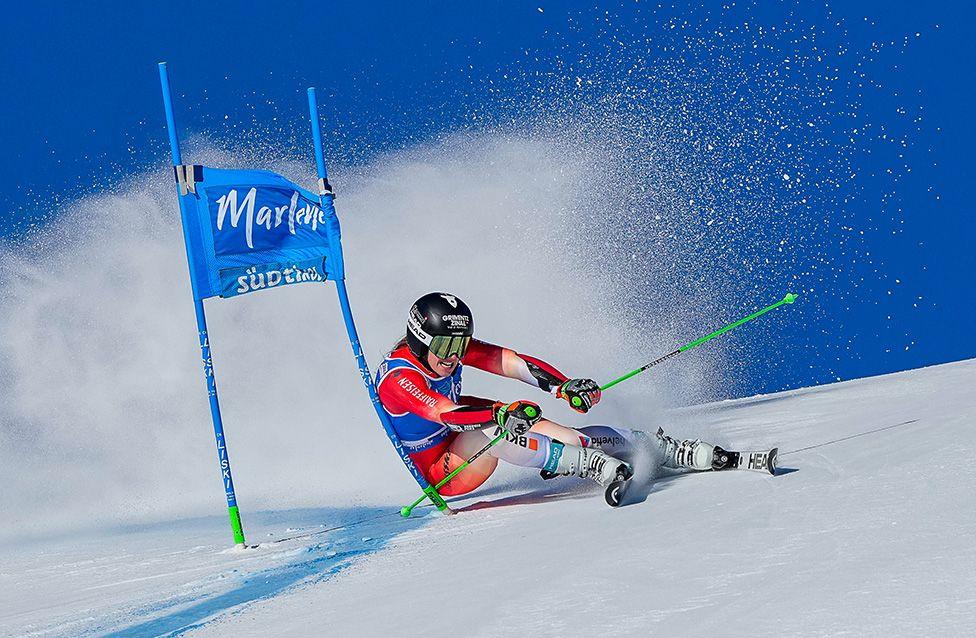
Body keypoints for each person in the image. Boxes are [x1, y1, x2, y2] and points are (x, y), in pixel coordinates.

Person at [375, 292, 727, 497]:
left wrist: (562, 385)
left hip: (466, 428)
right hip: (446, 470)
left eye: (461, 347)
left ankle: (658, 447)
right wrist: (498, 414)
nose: (454, 357)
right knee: (496, 429)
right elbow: (447, 414)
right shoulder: (399, 377)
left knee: (566, 437)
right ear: (420, 340)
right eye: (444, 347)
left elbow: (509, 362)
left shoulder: (444, 351)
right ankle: (587, 465)